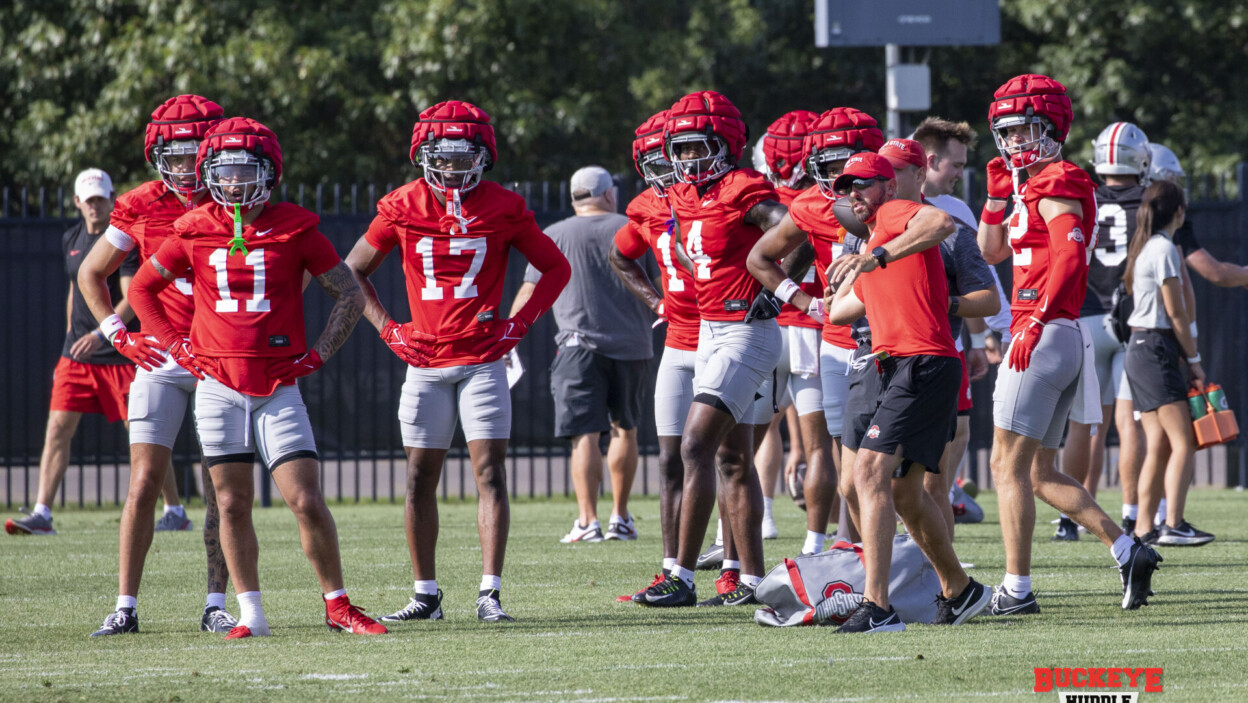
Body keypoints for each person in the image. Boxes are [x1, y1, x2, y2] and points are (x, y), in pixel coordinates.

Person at [128, 117, 386, 639]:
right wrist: (176, 345)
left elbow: (350, 294)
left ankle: (337, 605)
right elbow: (140, 290)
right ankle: (251, 614)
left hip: (276, 387)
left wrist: (317, 355)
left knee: (306, 499)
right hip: (218, 386)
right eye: (225, 171)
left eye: (247, 170)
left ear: (270, 173)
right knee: (229, 502)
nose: (235, 182)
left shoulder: (295, 227)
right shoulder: (194, 226)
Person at [346, 101, 570, 624]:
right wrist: (387, 327)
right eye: (439, 156)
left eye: (460, 155)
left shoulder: (504, 206)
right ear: (423, 155)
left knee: (489, 472)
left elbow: (553, 267)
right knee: (419, 477)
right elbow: (350, 270)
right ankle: (426, 593)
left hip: (481, 358)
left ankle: (489, 592)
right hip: (423, 360)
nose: (449, 166)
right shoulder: (402, 204)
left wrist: (518, 324)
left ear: (482, 155)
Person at [976, 74, 1160, 613]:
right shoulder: (1025, 182)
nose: (1013, 142)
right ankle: (1128, 550)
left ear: (1052, 129)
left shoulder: (1057, 177)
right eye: (1006, 133)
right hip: (1054, 332)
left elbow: (1072, 257)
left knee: (1004, 468)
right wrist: (991, 197)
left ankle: (1016, 589)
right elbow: (990, 252)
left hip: (1044, 330)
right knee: (1037, 472)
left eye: (1024, 130)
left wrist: (1034, 318)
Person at [80, 95, 239, 636]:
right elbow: (92, 274)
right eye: (176, 151)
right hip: (162, 352)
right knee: (145, 479)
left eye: (198, 150)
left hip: (220, 355)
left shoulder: (239, 198)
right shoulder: (142, 203)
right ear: (157, 153)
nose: (188, 162)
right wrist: (118, 336)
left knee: (220, 484)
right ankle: (125, 605)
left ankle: (215, 602)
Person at [824, 152, 990, 632]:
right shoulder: (871, 241)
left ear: (889, 187)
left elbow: (939, 221)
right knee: (903, 492)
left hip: (924, 363)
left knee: (869, 473)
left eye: (864, 185)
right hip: (904, 365)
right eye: (846, 187)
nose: (853, 194)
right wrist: (851, 275)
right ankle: (960, 590)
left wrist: (876, 256)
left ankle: (877, 606)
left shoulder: (894, 217)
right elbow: (838, 314)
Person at [633, 90, 785, 608]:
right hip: (708, 332)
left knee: (693, 445)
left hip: (746, 331)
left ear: (725, 145)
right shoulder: (681, 196)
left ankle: (680, 575)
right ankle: (752, 581)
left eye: (698, 148)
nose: (686, 160)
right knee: (732, 458)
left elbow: (797, 233)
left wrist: (779, 290)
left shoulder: (744, 187)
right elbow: (681, 249)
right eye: (680, 150)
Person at [747, 107, 885, 557]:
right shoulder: (809, 205)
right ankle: (853, 553)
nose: (841, 180)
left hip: (892, 341)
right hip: (833, 339)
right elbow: (761, 257)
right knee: (845, 466)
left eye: (848, 167)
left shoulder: (901, 205)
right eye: (829, 167)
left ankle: (907, 562)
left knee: (898, 471)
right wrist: (803, 300)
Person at [512, 166, 652, 544]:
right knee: (626, 428)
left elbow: (529, 290)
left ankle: (587, 521)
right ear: (608, 194)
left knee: (583, 435)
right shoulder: (632, 227)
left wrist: (508, 335)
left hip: (576, 347)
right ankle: (620, 518)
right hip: (632, 344)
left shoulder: (553, 234)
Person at [877, 138, 1000, 544]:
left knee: (928, 483)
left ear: (918, 174)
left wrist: (945, 304)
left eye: (894, 172)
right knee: (862, 480)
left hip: (931, 362)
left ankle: (942, 581)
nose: (886, 181)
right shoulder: (862, 221)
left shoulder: (951, 225)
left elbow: (987, 296)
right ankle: (889, 578)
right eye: (882, 171)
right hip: (873, 363)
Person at [5, 169, 140, 538]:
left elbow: (132, 299)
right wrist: (70, 340)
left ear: (112, 199)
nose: (95, 206)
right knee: (57, 430)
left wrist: (102, 333)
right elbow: (74, 293)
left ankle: (175, 509)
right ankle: (42, 512)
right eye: (89, 199)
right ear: (78, 202)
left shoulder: (122, 240)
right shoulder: (71, 239)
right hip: (76, 355)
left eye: (101, 199)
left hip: (116, 352)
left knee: (142, 436)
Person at [1051, 122, 1151, 541]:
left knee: (1086, 424)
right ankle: (1130, 515)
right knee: (1129, 424)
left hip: (1088, 317)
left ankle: (1070, 518)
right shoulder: (1150, 201)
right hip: (1131, 320)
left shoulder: (1081, 193)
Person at [610, 110, 695, 598]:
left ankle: (735, 567)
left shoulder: (718, 195)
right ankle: (671, 569)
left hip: (727, 335)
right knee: (669, 458)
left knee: (728, 456)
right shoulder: (646, 205)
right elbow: (619, 254)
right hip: (677, 338)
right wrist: (656, 301)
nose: (667, 165)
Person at [1123, 180, 1213, 546]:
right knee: (1184, 440)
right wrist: (1194, 359)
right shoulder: (1163, 249)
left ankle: (1144, 528)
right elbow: (1176, 312)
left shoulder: (1147, 246)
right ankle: (1173, 523)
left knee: (1158, 443)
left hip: (1140, 348)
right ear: (1178, 211)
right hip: (1155, 347)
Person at [749, 111, 822, 544]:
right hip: (815, 324)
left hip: (768, 324)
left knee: (759, 428)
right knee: (823, 442)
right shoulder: (824, 199)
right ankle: (820, 538)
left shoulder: (759, 200)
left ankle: (764, 517)